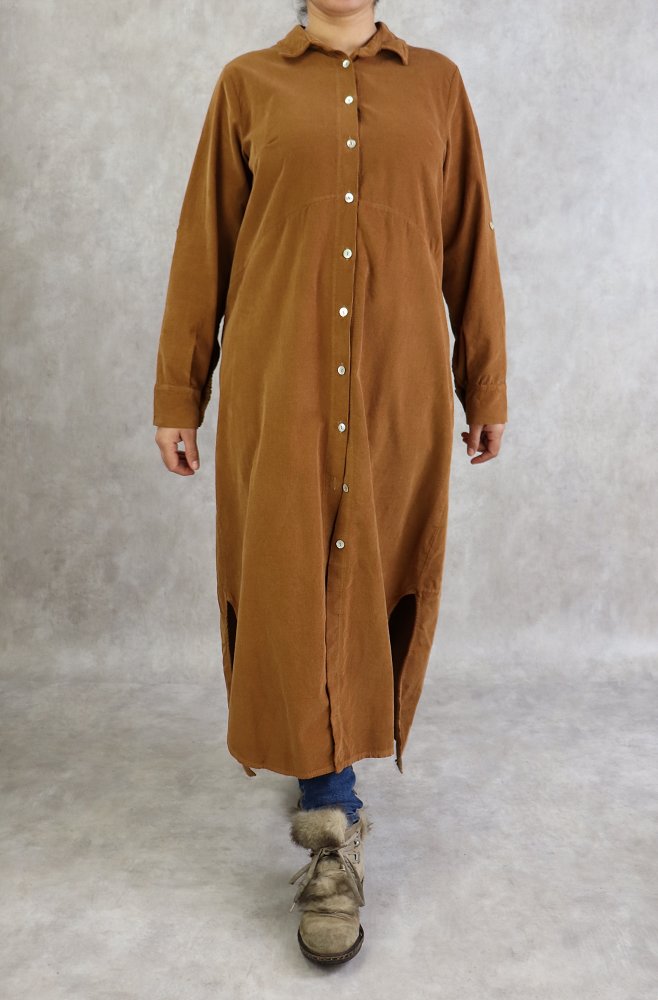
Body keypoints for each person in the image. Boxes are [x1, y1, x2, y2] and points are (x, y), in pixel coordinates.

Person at [152, 0, 507, 966]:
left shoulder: (438, 86)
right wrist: (180, 391)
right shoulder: (248, 85)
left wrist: (484, 382)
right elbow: (204, 246)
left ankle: (329, 776)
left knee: (369, 584)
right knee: (288, 582)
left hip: (398, 391)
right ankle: (330, 825)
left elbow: (469, 241)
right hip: (282, 385)